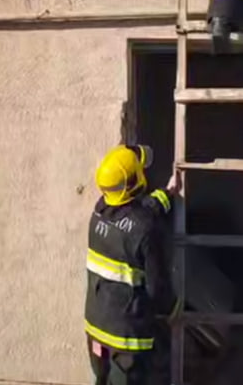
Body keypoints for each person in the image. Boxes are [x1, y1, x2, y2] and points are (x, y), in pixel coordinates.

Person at [85, 144, 181, 385]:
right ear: (134, 181)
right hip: (126, 339)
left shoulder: (99, 212)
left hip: (96, 327)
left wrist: (166, 194)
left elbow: (136, 215)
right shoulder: (145, 230)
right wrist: (173, 309)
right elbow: (157, 289)